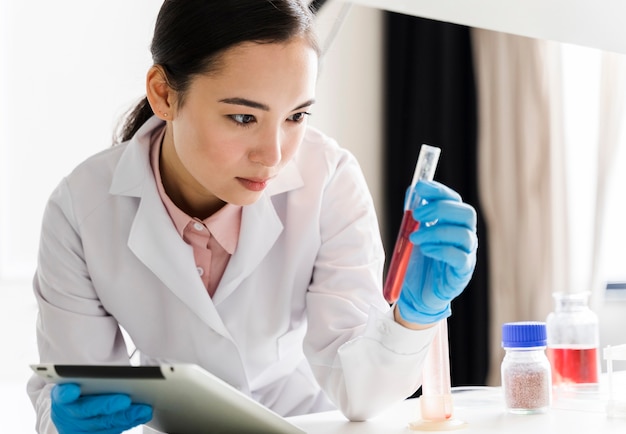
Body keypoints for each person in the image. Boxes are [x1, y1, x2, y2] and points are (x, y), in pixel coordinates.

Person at [27, 1, 478, 433]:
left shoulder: (329, 180)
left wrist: (415, 317)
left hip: (303, 425)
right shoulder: (80, 209)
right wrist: (68, 424)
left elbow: (361, 393)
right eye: (243, 117)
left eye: (296, 116)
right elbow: (75, 390)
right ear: (164, 95)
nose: (274, 155)